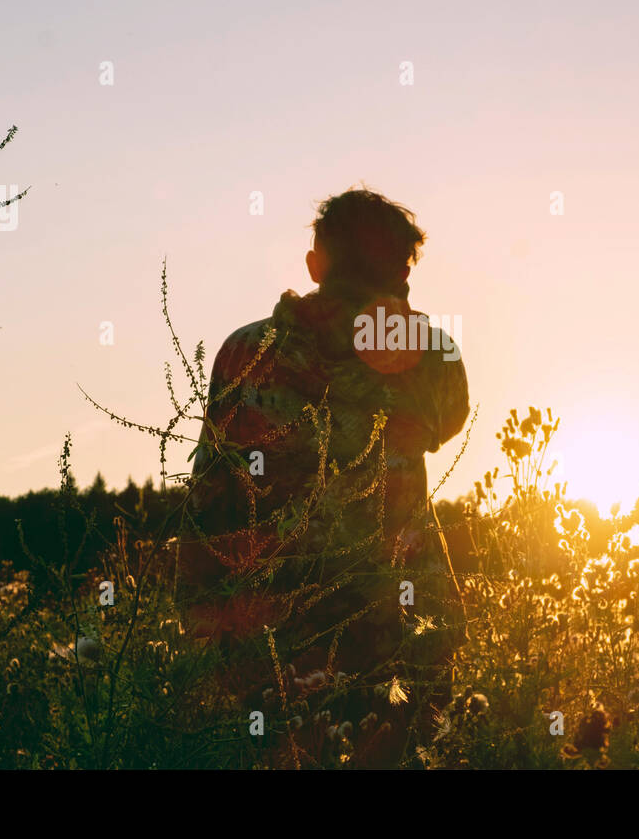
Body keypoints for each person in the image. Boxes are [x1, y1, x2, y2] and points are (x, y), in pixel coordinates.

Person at [186, 187, 469, 765]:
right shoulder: (427, 356)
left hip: (270, 643)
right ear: (400, 273)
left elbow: (210, 495)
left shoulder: (244, 351)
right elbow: (450, 418)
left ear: (315, 264)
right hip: (394, 635)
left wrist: (203, 618)